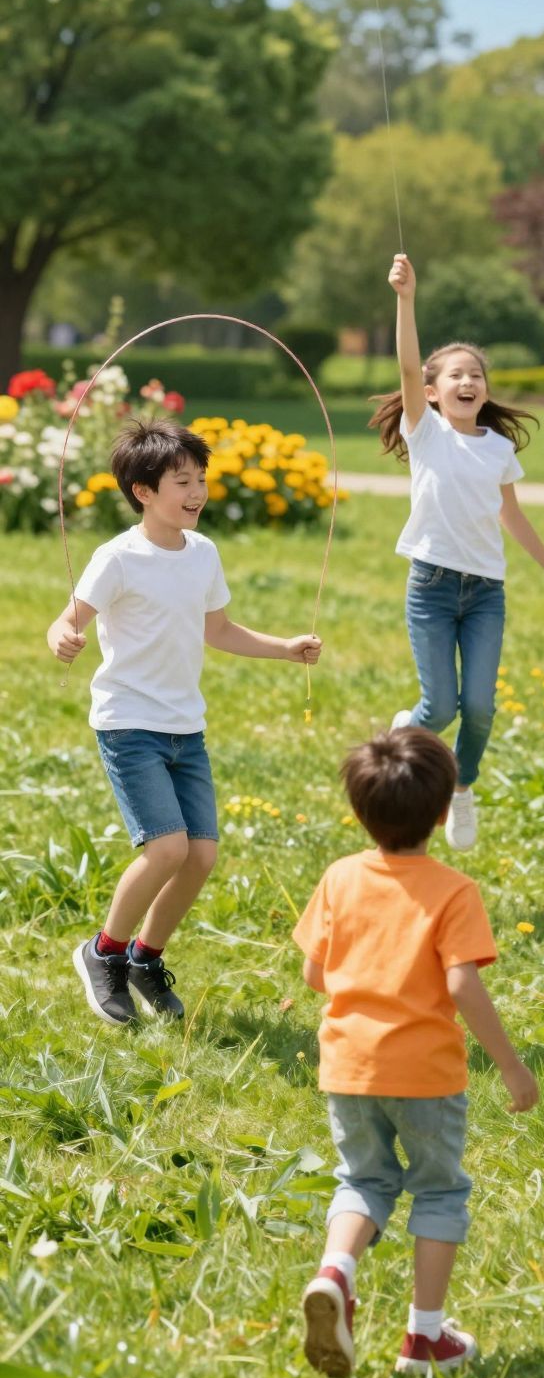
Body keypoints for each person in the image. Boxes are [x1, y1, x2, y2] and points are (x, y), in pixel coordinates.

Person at [46, 421, 321, 1027]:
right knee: (166, 847)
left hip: (183, 727)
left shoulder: (203, 553)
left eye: (201, 479)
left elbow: (217, 629)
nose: (197, 492)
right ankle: (104, 953)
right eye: (182, 482)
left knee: (199, 857)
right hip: (128, 723)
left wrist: (285, 647)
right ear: (143, 491)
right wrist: (65, 635)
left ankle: (147, 959)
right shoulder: (117, 557)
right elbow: (69, 619)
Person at [295, 726, 538, 1378]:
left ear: (359, 811)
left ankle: (335, 1271)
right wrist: (511, 1065)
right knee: (438, 1192)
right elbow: (461, 981)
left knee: (363, 1181)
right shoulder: (452, 891)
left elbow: (315, 976)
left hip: (347, 1066)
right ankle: (424, 1339)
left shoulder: (340, 877)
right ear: (439, 813)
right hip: (426, 1076)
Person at [373, 254, 544, 853]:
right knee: (439, 705)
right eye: (455, 376)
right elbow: (409, 363)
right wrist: (406, 298)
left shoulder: (496, 448)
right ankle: (401, 735)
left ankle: (461, 785)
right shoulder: (425, 432)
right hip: (432, 585)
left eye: (476, 376)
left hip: (486, 590)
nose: (468, 382)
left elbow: (510, 512)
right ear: (431, 394)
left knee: (480, 707)